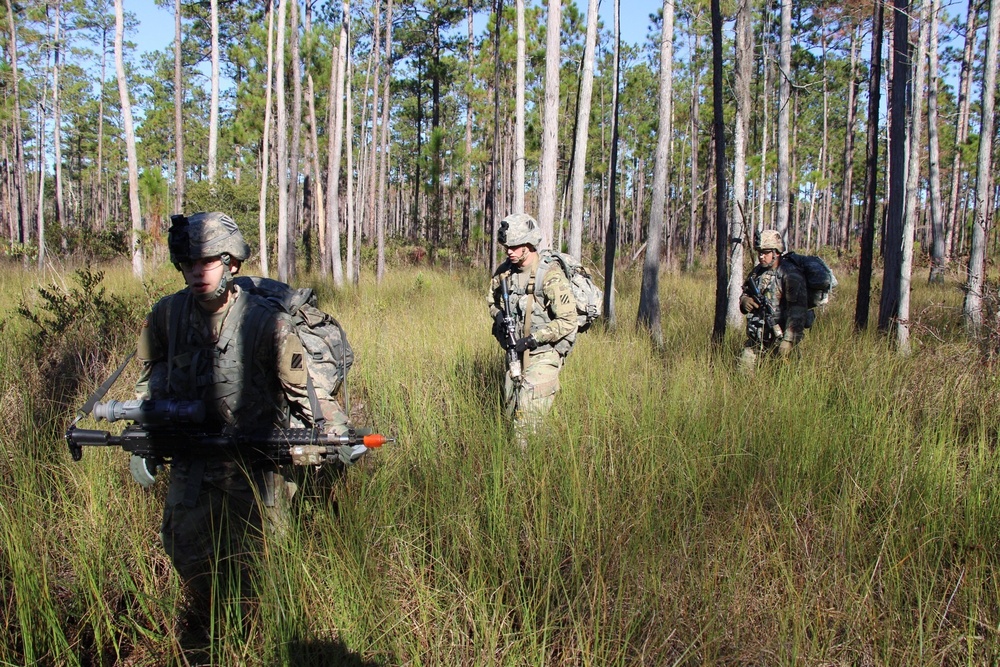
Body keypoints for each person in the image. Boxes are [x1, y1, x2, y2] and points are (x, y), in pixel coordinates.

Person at [135, 212, 348, 644]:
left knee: (267, 563)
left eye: (209, 261)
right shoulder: (166, 316)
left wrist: (334, 433)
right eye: (189, 262)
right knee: (188, 554)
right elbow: (149, 377)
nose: (198, 271)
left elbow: (303, 390)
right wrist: (145, 436)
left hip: (256, 463)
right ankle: (213, 629)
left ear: (232, 263)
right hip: (193, 462)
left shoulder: (265, 321)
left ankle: (263, 637)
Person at [486, 213, 578, 440]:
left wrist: (534, 339)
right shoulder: (505, 272)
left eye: (515, 246)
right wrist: (498, 316)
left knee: (524, 425)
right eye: (506, 246)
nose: (509, 251)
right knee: (512, 411)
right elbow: (491, 301)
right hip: (515, 354)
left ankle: (520, 471)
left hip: (544, 353)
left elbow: (568, 320)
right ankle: (546, 451)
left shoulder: (549, 275)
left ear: (529, 244)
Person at [738, 229, 811, 370]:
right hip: (756, 341)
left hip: (781, 339)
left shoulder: (790, 274)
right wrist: (744, 301)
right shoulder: (757, 272)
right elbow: (745, 292)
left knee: (784, 380)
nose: (761, 256)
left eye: (765, 252)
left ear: (776, 252)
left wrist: (788, 341)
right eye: (759, 252)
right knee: (743, 376)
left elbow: (798, 312)